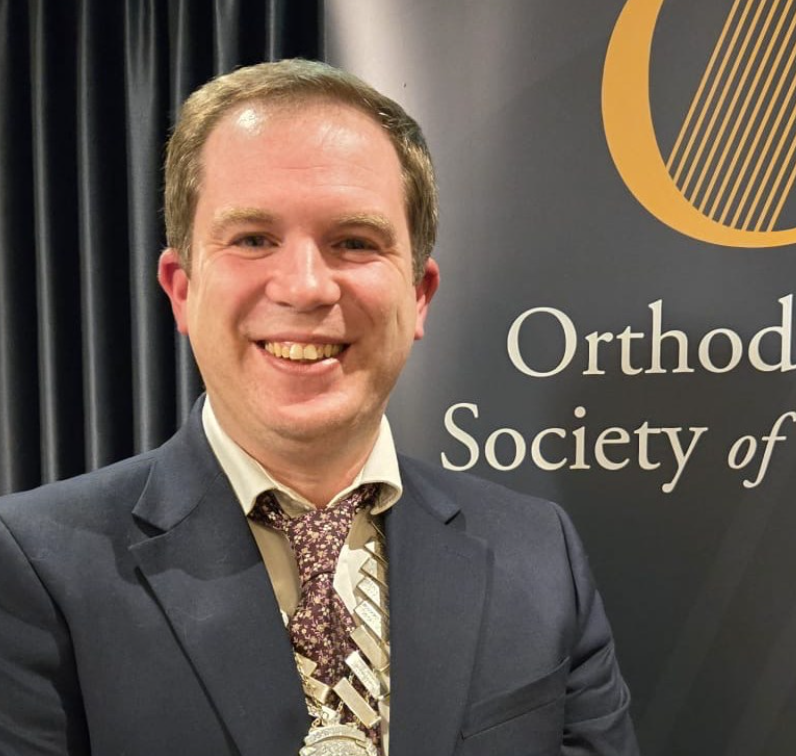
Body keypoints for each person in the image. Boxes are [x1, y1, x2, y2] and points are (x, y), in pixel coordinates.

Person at [0, 59, 638, 756]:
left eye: (354, 243)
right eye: (252, 239)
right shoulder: (35, 567)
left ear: (418, 295)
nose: (305, 287)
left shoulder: (540, 555)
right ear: (181, 289)